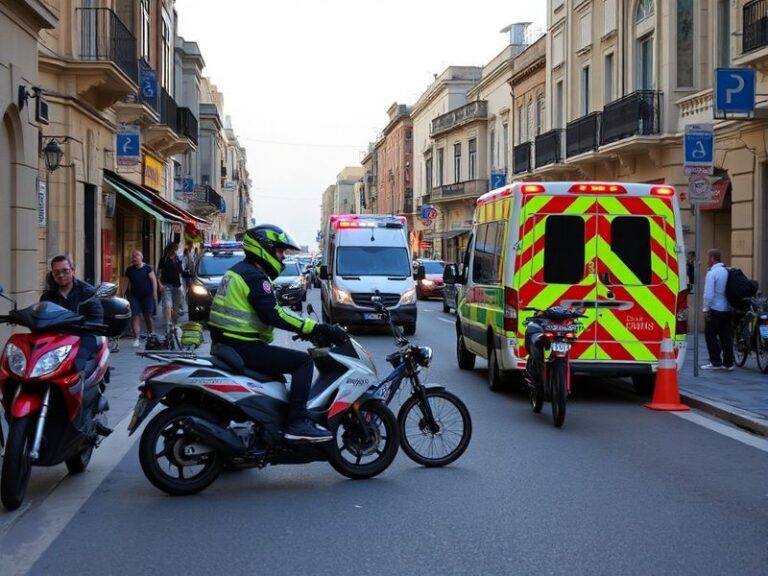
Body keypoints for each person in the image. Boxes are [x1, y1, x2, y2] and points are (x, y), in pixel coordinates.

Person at [207, 224, 347, 442]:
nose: (283, 257)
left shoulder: (238, 271)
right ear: (265, 249)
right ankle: (297, 422)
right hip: (243, 346)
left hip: (228, 343)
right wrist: (315, 327)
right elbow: (273, 315)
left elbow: (269, 312)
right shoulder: (254, 277)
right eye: (280, 251)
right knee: (302, 362)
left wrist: (304, 328)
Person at [40, 255, 103, 375]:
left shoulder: (88, 293)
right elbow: (40, 317)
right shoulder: (47, 296)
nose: (61, 275)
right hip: (56, 338)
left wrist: (85, 326)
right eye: (56, 272)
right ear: (52, 274)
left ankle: (81, 388)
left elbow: (97, 319)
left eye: (65, 271)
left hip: (82, 336)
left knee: (77, 364)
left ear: (72, 271)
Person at [701, 248, 734, 371]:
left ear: (712, 258)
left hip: (715, 309)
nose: (706, 260)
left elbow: (708, 294)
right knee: (726, 337)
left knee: (710, 335)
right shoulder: (727, 270)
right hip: (728, 309)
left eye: (707, 257)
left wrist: (705, 309)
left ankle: (716, 362)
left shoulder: (712, 273)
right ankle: (728, 363)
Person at [123, 250, 158, 347]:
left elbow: (154, 280)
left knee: (148, 316)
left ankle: (151, 334)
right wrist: (122, 294)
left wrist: (155, 293)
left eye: (136, 256)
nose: (134, 258)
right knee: (135, 316)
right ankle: (136, 338)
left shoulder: (148, 268)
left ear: (141, 258)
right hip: (134, 296)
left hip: (147, 296)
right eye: (133, 256)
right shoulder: (129, 270)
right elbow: (126, 282)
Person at [158, 242, 184, 328]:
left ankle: (174, 323)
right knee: (167, 305)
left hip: (177, 286)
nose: (174, 252)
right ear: (169, 251)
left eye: (175, 250)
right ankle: (168, 324)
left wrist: (182, 287)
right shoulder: (163, 259)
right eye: (173, 250)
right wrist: (160, 285)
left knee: (176, 306)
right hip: (166, 286)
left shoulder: (178, 259)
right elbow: (159, 273)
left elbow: (181, 272)